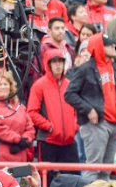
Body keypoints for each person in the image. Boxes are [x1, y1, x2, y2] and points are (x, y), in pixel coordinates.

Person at [64, 34, 116, 181]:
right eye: (109, 44)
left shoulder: (115, 68)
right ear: (99, 47)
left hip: (114, 124)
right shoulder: (85, 69)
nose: (113, 46)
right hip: (95, 125)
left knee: (106, 172)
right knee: (93, 170)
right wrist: (88, 109)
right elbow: (69, 94)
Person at [27, 47, 79, 178]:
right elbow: (32, 112)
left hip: (69, 141)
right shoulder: (39, 85)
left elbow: (77, 110)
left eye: (60, 61)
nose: (58, 65)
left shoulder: (69, 85)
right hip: (48, 141)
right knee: (47, 180)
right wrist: (49, 127)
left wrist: (74, 127)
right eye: (54, 62)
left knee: (74, 179)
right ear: (48, 64)